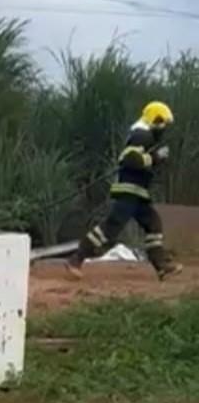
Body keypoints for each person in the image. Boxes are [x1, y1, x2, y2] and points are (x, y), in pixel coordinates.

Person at [67, 101, 183, 281]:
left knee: (153, 225)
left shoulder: (145, 137)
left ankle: (161, 266)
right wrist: (155, 157)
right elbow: (130, 159)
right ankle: (76, 259)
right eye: (163, 124)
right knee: (110, 227)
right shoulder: (142, 135)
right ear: (155, 120)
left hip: (139, 193)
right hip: (129, 191)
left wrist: (156, 160)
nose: (164, 129)